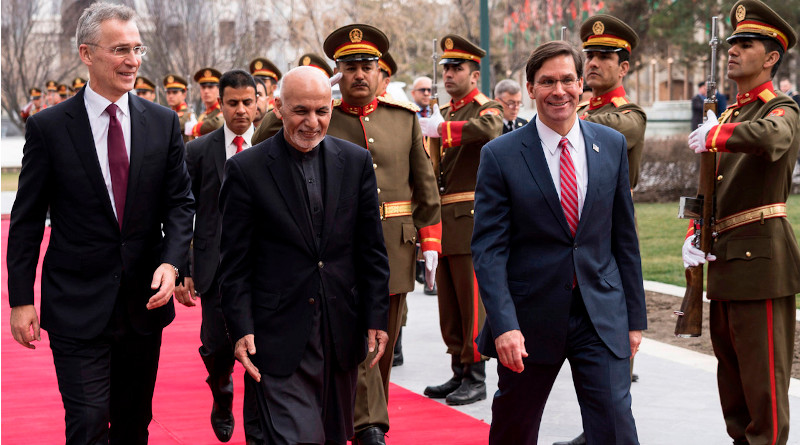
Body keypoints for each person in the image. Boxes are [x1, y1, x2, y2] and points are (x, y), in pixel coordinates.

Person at [7, 3, 194, 444]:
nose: (133, 60)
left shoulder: (163, 124)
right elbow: (28, 217)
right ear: (87, 53)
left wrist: (172, 263)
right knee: (88, 423)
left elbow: (181, 204)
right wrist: (20, 299)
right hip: (76, 303)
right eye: (120, 50)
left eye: (137, 48)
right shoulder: (50, 128)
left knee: (133, 424)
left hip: (143, 305)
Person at [251, 24, 442, 444]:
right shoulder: (320, 112)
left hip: (389, 244)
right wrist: (311, 85)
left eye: (366, 67)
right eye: (349, 67)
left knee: (379, 346)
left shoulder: (402, 118)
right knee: (342, 343)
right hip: (329, 251)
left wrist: (429, 242)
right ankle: (367, 425)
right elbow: (265, 138)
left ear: (380, 72)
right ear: (337, 72)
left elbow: (425, 187)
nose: (358, 74)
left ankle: (372, 418)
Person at [471, 40, 646, 445]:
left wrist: (634, 319)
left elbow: (624, 238)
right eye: (547, 82)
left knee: (617, 428)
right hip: (528, 323)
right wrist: (504, 325)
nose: (559, 91)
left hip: (599, 316)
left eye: (568, 79)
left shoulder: (612, 145)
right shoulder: (501, 155)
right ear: (530, 89)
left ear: (582, 84)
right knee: (515, 427)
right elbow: (489, 250)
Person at [218, 65, 390, 445]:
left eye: (321, 111)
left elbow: (371, 249)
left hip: (339, 331)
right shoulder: (246, 170)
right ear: (278, 108)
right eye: (301, 111)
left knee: (331, 435)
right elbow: (234, 262)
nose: (312, 122)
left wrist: (377, 315)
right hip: (276, 334)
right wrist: (241, 327)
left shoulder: (356, 161)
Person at [685, 1, 799, 443]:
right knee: (732, 387)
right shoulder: (731, 114)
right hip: (726, 261)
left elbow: (776, 138)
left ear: (771, 58)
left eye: (745, 44)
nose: (733, 50)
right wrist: (695, 233)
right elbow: (712, 188)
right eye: (732, 43)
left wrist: (718, 135)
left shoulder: (780, 107)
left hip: (762, 262)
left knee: (763, 386)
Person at [557, 16, 648, 445]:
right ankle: (594, 426)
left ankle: (607, 423)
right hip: (574, 234)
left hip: (607, 235)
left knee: (611, 341)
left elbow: (589, 133)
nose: (593, 63)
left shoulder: (627, 116)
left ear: (623, 67)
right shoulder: (581, 109)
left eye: (605, 57)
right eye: (589, 55)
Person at [176, 69, 262, 444]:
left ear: (259, 102)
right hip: (214, 269)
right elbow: (182, 211)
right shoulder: (199, 150)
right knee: (216, 347)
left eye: (247, 102)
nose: (241, 110)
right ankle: (222, 391)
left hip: (264, 267)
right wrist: (183, 269)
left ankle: (260, 420)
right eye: (233, 103)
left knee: (263, 348)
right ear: (220, 105)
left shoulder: (272, 144)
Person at [417, 34, 503, 406]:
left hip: (470, 217)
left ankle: (477, 375)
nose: (449, 74)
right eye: (446, 68)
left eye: (457, 68)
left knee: (472, 303)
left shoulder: (484, 106)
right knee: (450, 304)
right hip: (445, 219)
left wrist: (441, 130)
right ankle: (458, 370)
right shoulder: (448, 111)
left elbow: (491, 130)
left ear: (474, 72)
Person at [191, 67, 224, 138]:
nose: (206, 91)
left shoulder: (222, 109)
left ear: (219, 89)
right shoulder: (203, 115)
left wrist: (195, 128)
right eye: (203, 87)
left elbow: (218, 123)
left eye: (210, 87)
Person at [163, 74, 196, 143]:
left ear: (184, 94)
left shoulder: (188, 114)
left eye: (175, 92)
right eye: (168, 93)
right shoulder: (168, 113)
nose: (170, 96)